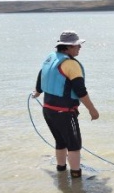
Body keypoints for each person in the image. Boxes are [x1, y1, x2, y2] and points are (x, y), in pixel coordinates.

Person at [32, 31, 99, 178]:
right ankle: (76, 179)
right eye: (77, 45)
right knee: (74, 146)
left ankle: (61, 171)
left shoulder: (51, 58)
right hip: (65, 112)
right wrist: (92, 110)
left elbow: (41, 74)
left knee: (60, 141)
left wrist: (37, 92)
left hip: (48, 110)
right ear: (67, 47)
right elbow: (80, 91)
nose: (79, 48)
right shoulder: (71, 64)